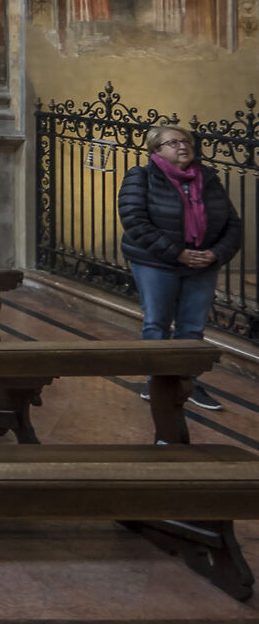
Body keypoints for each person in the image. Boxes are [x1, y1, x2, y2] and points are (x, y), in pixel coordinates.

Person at [117, 123, 240, 413]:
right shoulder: (141, 176)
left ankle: (188, 382)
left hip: (202, 263)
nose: (183, 146)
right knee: (157, 323)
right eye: (173, 143)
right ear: (155, 150)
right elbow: (134, 221)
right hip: (156, 263)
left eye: (186, 142)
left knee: (193, 326)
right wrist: (177, 254)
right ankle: (157, 381)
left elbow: (233, 223)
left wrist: (215, 254)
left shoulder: (207, 178)